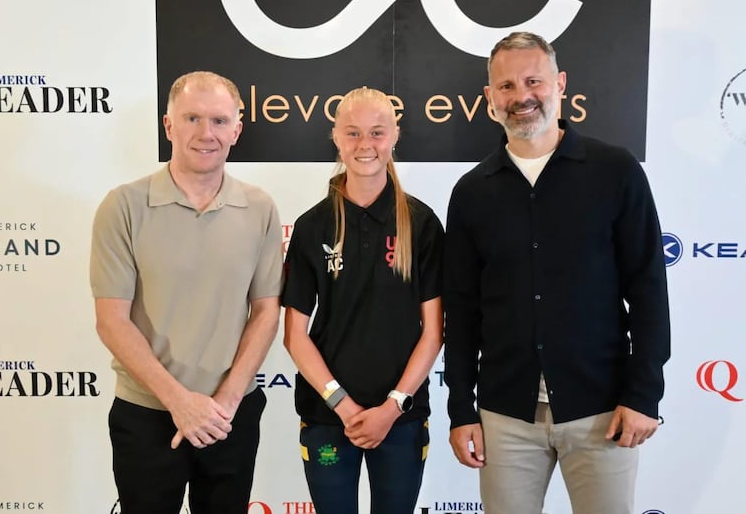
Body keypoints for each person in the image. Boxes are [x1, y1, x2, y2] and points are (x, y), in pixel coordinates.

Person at [443, 32, 670, 514]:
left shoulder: (615, 171)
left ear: (560, 84)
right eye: (505, 86)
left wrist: (645, 393)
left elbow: (648, 287)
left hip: (603, 409)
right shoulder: (471, 192)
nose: (521, 96)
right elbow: (461, 311)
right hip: (505, 416)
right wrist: (461, 408)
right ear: (489, 100)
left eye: (533, 81)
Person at [90, 71, 283, 514]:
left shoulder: (260, 208)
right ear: (169, 125)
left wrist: (225, 402)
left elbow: (267, 311)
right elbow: (111, 320)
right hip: (147, 415)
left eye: (218, 121)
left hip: (230, 413)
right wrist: (180, 403)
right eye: (192, 118)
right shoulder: (123, 206)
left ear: (237, 129)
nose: (205, 133)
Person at [282, 86, 444, 514]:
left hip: (401, 418)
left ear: (394, 136)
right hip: (328, 416)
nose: (365, 145)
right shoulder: (312, 225)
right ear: (336, 137)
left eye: (376, 132)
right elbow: (295, 335)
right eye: (352, 133)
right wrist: (345, 405)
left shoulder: (423, 223)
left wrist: (392, 407)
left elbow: (433, 332)